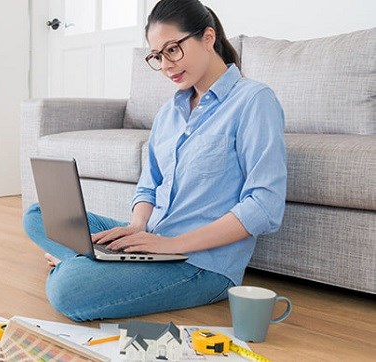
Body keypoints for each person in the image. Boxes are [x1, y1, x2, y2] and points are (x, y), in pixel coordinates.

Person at [23, 0, 286, 322]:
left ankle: (76, 263)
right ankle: (95, 259)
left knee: (69, 291)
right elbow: (150, 184)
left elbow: (265, 204)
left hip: (200, 264)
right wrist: (136, 228)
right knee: (38, 215)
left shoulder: (253, 100)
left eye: (172, 50)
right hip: (153, 239)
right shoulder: (169, 112)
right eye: (157, 56)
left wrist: (170, 244)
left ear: (207, 37)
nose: (165, 65)